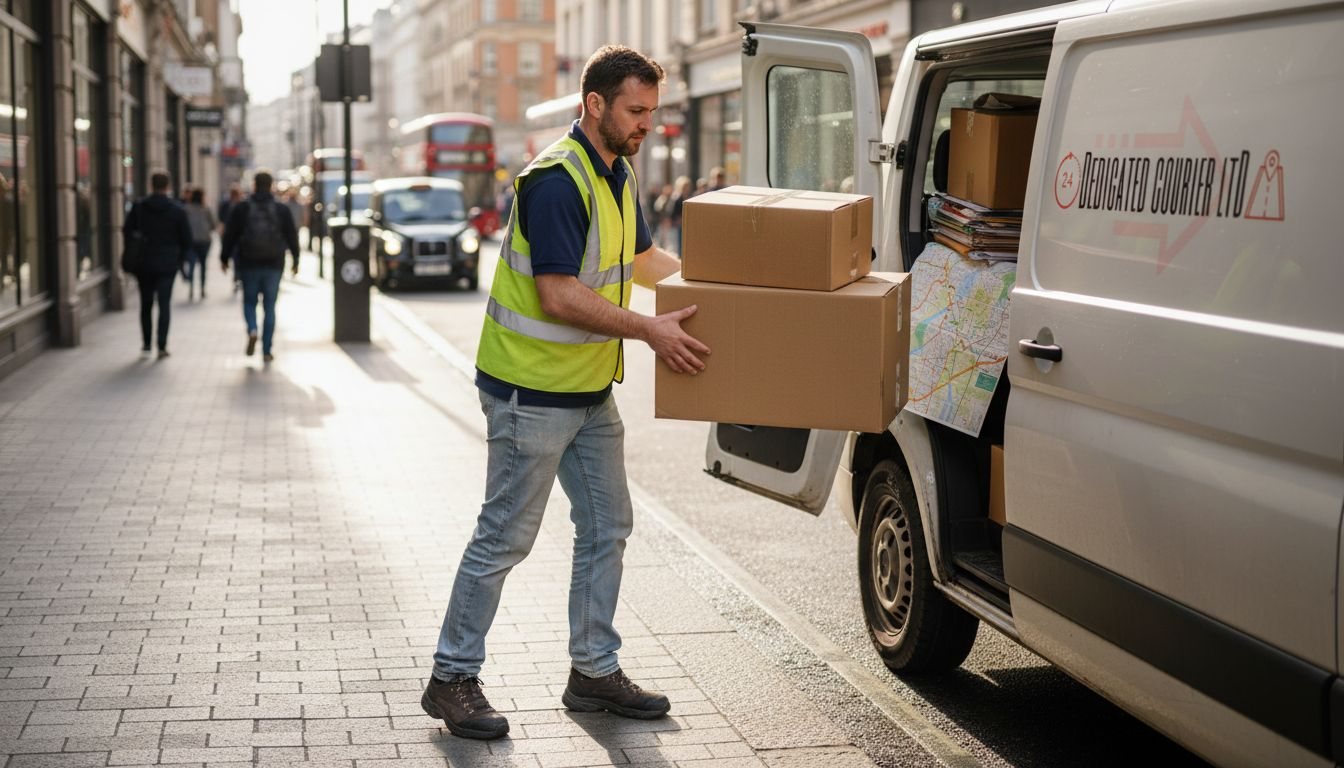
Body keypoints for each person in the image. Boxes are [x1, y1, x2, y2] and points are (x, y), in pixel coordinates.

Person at [421, 45, 709, 741]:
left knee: (608, 526)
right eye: (636, 112)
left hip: (585, 394)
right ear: (595, 105)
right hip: (530, 394)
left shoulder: (617, 171)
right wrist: (649, 330)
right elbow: (557, 295)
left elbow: (641, 259)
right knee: (504, 539)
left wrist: (715, 280)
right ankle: (451, 678)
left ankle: (593, 672)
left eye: (653, 112)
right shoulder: (556, 179)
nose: (648, 125)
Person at [220, 170, 300, 364]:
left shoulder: (242, 208)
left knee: (249, 302)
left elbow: (230, 235)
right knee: (270, 307)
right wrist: (296, 260)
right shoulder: (281, 209)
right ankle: (266, 350)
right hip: (274, 264)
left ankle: (252, 329)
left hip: (249, 263)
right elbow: (291, 235)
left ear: (254, 185)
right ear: (271, 185)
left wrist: (224, 258)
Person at [124, 171, 191, 358]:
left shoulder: (139, 207)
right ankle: (161, 345)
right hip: (167, 264)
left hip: (143, 263)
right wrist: (180, 259)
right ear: (168, 186)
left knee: (146, 304)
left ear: (151, 185)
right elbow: (186, 239)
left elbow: (127, 232)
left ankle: (146, 344)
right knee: (164, 304)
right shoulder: (177, 210)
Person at [183, 189, 216, 300]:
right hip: (204, 240)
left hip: (191, 240)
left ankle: (191, 288)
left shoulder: (186, 209)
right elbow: (213, 225)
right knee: (203, 265)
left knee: (192, 264)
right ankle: (202, 288)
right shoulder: (206, 209)